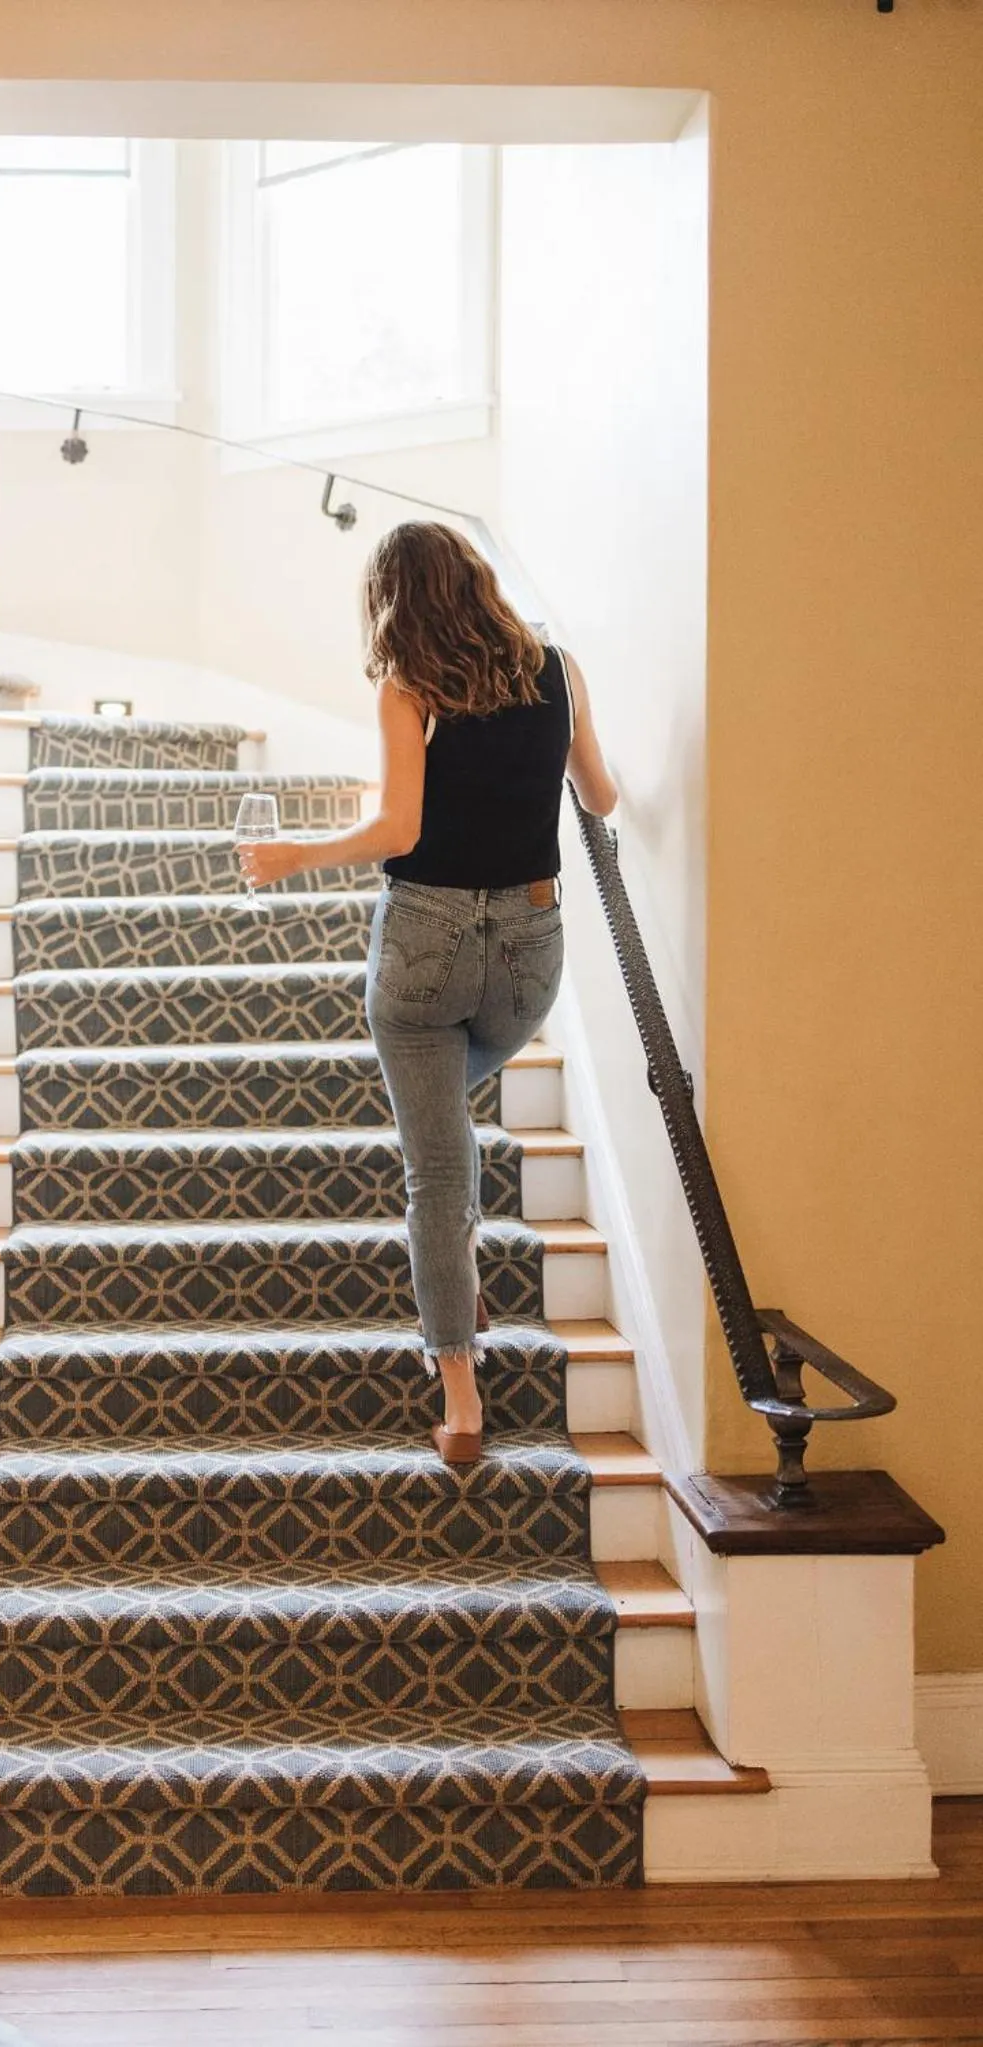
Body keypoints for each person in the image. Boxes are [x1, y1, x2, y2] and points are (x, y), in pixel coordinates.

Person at [237, 521, 618, 1466]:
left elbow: (400, 828)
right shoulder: (559, 670)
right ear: (477, 580)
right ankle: (457, 1274)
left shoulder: (408, 686)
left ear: (394, 601)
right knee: (446, 1132)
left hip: (423, 944)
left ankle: (460, 1401)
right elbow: (601, 799)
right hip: (531, 947)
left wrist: (297, 856)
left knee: (436, 1169)